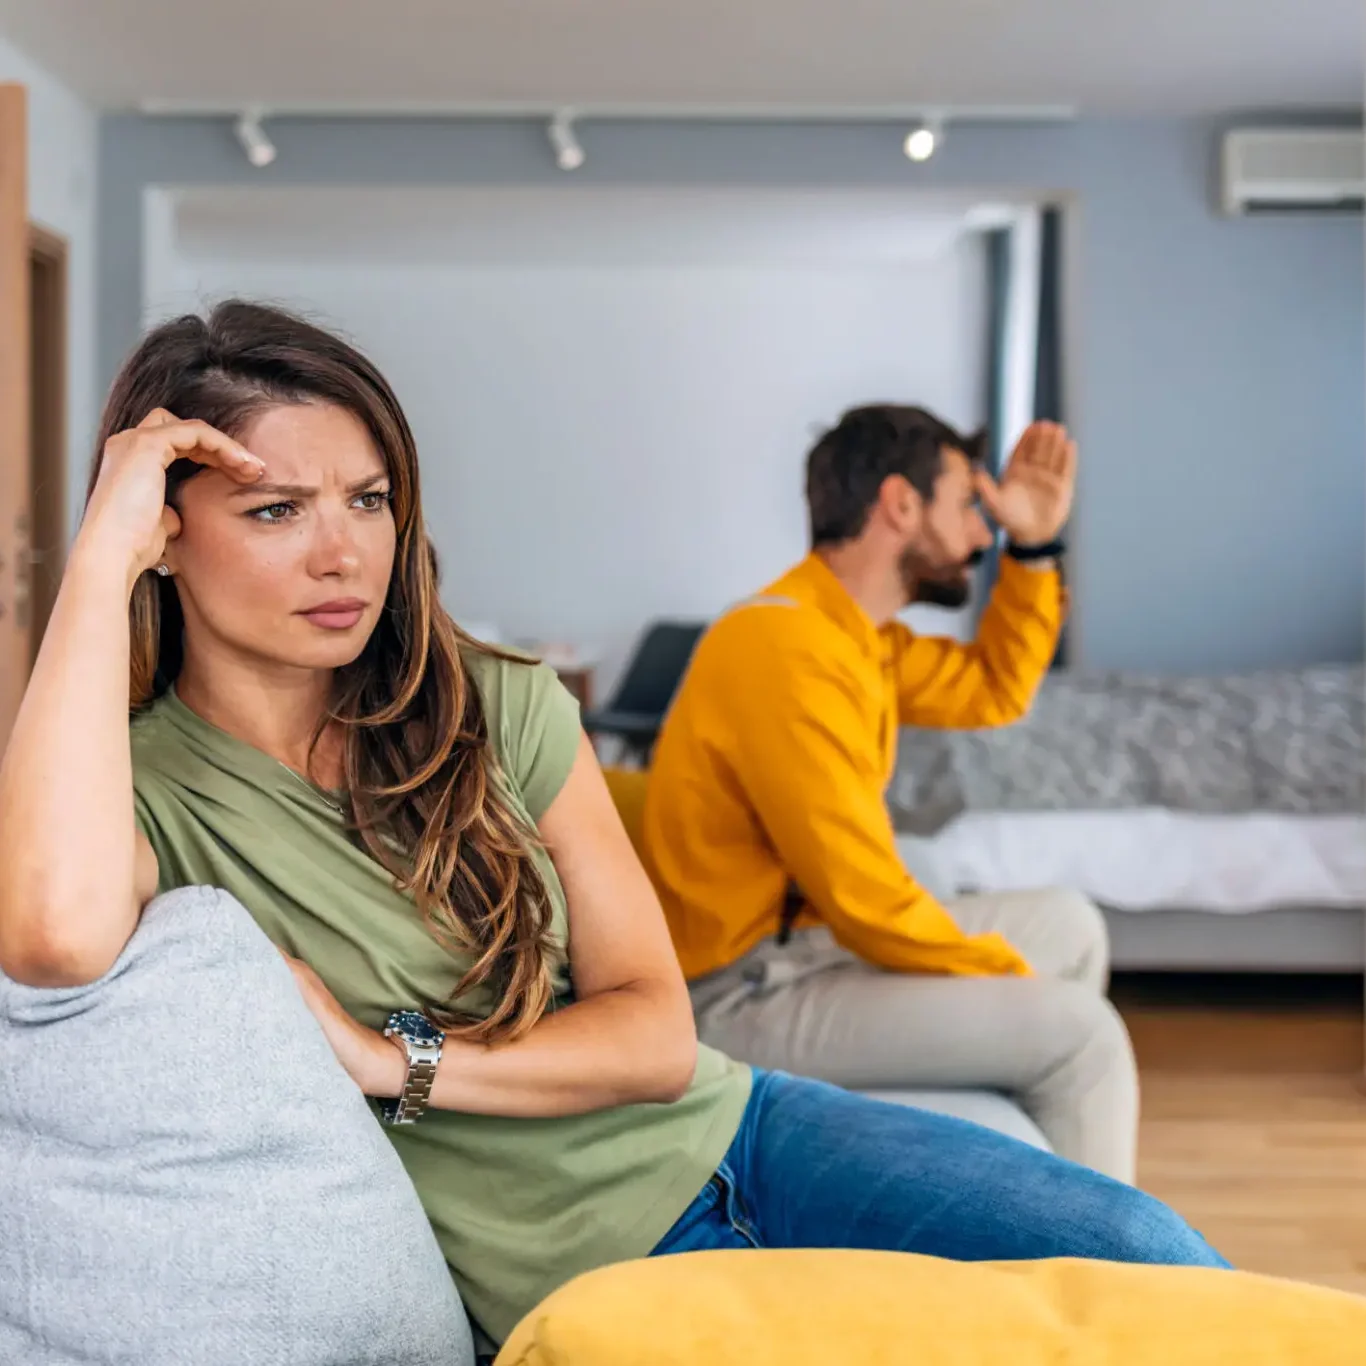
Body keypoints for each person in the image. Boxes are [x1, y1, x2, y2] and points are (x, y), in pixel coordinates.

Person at [0, 306, 1223, 1352]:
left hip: (740, 1127)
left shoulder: (498, 700)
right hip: (569, 1272)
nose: (344, 552)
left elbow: (652, 1032)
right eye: (274, 511)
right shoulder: (141, 785)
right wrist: (96, 564)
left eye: (369, 500)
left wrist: (398, 1065)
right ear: (165, 531)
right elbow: (50, 938)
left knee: (1135, 1249)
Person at [642, 404, 1139, 1181]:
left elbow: (994, 688)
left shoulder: (851, 637)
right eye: (969, 508)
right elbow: (864, 896)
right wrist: (1007, 980)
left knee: (1070, 925)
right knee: (1085, 1037)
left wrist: (1036, 547)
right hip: (741, 995)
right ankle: (1107, 1281)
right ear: (901, 506)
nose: (983, 534)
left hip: (804, 950)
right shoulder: (784, 651)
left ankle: (1031, 1181)